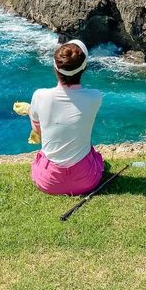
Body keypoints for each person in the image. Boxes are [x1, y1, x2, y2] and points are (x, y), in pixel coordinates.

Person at [28, 39, 104, 196]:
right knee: (93, 154)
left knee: (41, 160)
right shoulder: (95, 97)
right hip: (87, 180)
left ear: (55, 69)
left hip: (49, 182)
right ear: (84, 69)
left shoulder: (39, 96)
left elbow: (38, 130)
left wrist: (30, 111)